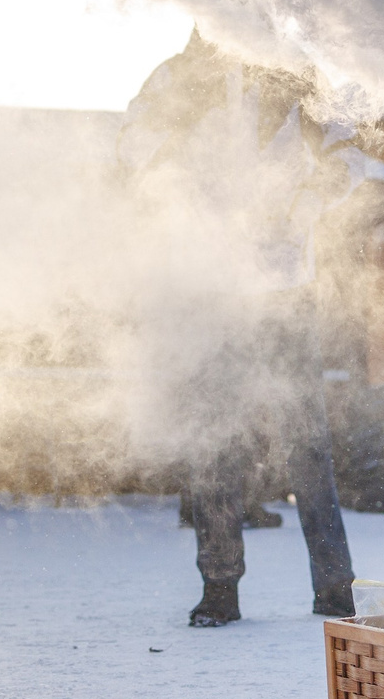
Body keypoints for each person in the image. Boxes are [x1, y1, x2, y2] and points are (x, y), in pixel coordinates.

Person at [120, 32, 358, 627]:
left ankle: (336, 588)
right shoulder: (177, 76)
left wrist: (304, 206)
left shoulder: (296, 74)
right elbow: (130, 149)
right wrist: (176, 177)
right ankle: (219, 587)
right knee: (213, 440)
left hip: (286, 286)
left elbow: (347, 154)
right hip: (209, 287)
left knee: (307, 442)